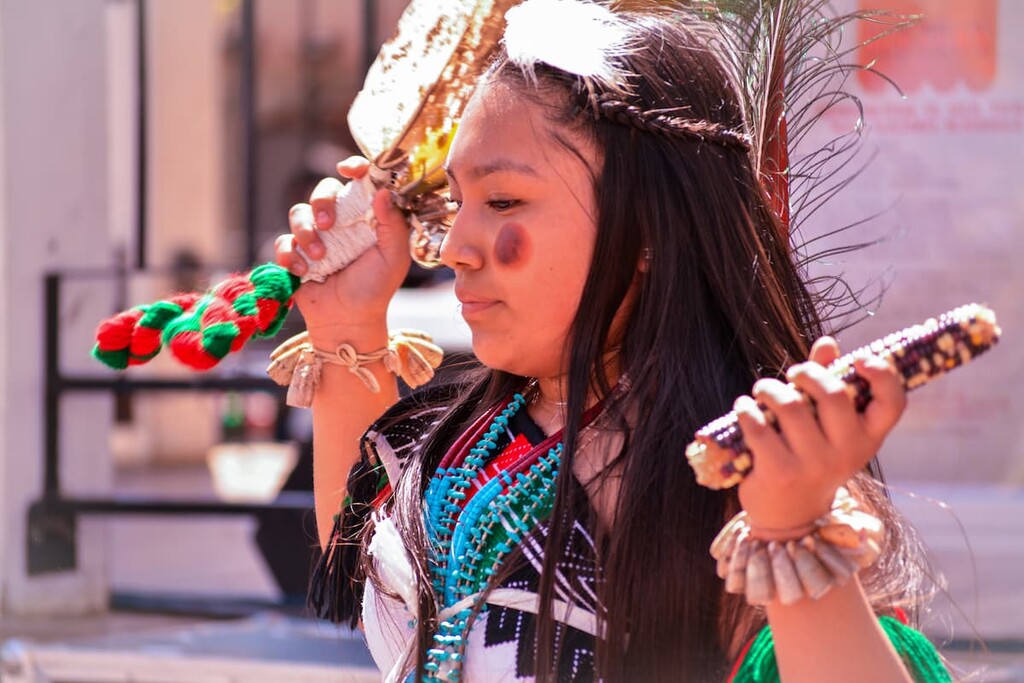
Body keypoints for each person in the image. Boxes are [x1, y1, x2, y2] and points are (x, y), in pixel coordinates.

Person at [274, 2, 948, 681]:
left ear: (651, 227)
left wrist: (793, 531)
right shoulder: (483, 441)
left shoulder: (746, 477)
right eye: (458, 203)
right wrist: (345, 327)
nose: (454, 247)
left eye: (503, 202)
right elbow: (388, 593)